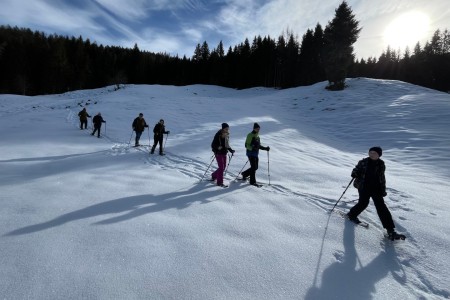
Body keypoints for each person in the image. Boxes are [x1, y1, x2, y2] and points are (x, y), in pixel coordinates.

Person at [347, 146, 405, 240]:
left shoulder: (381, 164)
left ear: (379, 155)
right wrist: (355, 173)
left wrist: (382, 190)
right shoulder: (363, 162)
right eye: (370, 152)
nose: (371, 154)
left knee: (381, 207)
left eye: (374, 153)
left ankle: (390, 230)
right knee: (363, 203)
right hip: (364, 186)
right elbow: (356, 169)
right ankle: (352, 214)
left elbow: (382, 178)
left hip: (376, 188)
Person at [210, 123, 235, 187]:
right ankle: (219, 182)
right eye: (226, 128)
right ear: (223, 128)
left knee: (223, 168)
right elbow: (213, 144)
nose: (227, 129)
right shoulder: (218, 135)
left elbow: (227, 145)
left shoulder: (227, 135)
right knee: (221, 167)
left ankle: (214, 175)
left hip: (224, 152)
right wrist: (218, 147)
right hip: (218, 153)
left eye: (228, 128)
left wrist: (231, 150)